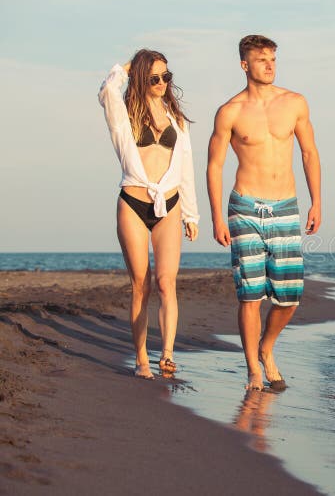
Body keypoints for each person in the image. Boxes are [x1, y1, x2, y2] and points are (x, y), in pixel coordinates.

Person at [207, 34, 321, 392]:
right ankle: (253, 369)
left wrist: (317, 200)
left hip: (285, 206)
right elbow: (214, 165)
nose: (270, 65)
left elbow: (309, 153)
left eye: (273, 58)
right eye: (261, 60)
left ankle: (266, 346)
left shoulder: (295, 103)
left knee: (289, 297)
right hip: (244, 206)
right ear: (245, 65)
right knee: (250, 293)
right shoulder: (231, 111)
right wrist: (215, 216)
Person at [98, 49, 200, 380]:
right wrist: (127, 66)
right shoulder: (124, 114)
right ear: (142, 78)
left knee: (167, 282)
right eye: (153, 77)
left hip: (169, 204)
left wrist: (190, 214)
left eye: (166, 77)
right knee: (141, 284)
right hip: (133, 202)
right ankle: (141, 358)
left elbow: (186, 168)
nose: (161, 83)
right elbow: (106, 92)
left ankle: (167, 354)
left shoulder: (176, 119)